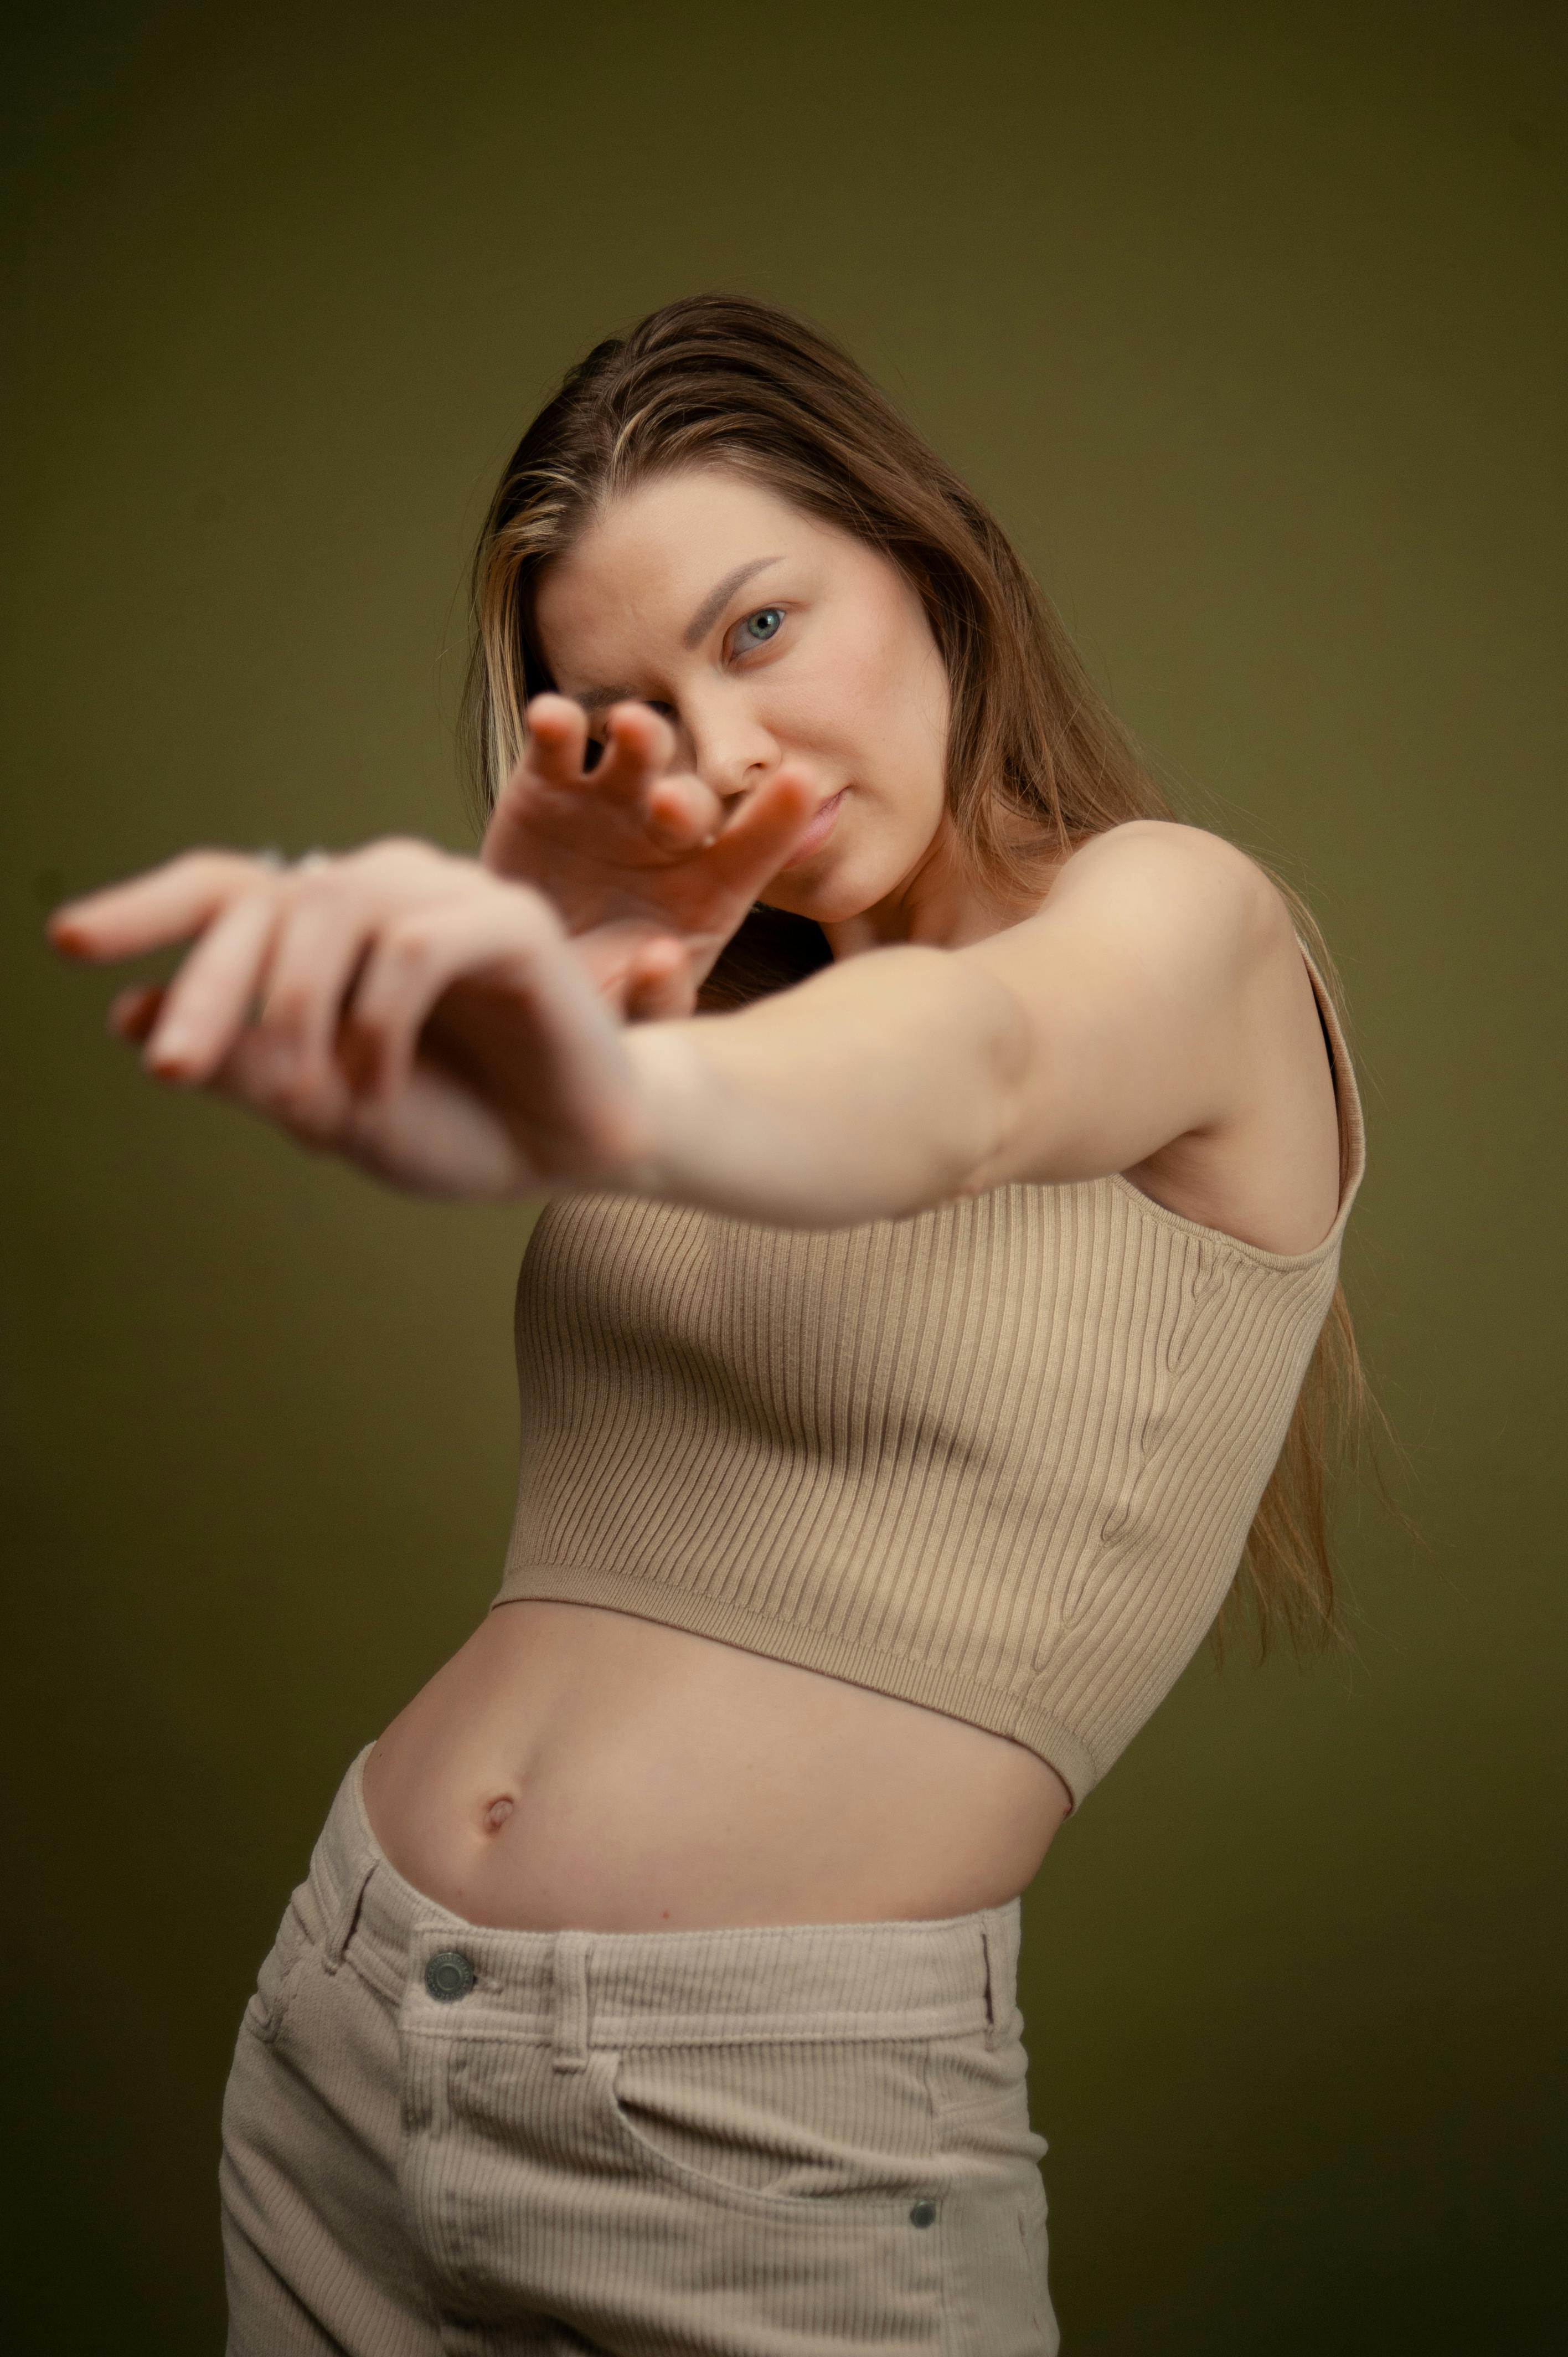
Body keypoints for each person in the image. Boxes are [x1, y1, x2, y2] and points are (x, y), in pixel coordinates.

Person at [49, 294, 1368, 2355]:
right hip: (348, 2034)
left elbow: (977, 1073)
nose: (729, 750)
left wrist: (603, 1088)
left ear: (928, 565)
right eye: (641, 707)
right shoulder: (708, 1015)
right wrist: (559, 1022)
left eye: (760, 628)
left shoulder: (1180, 929)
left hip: (768, 2135)